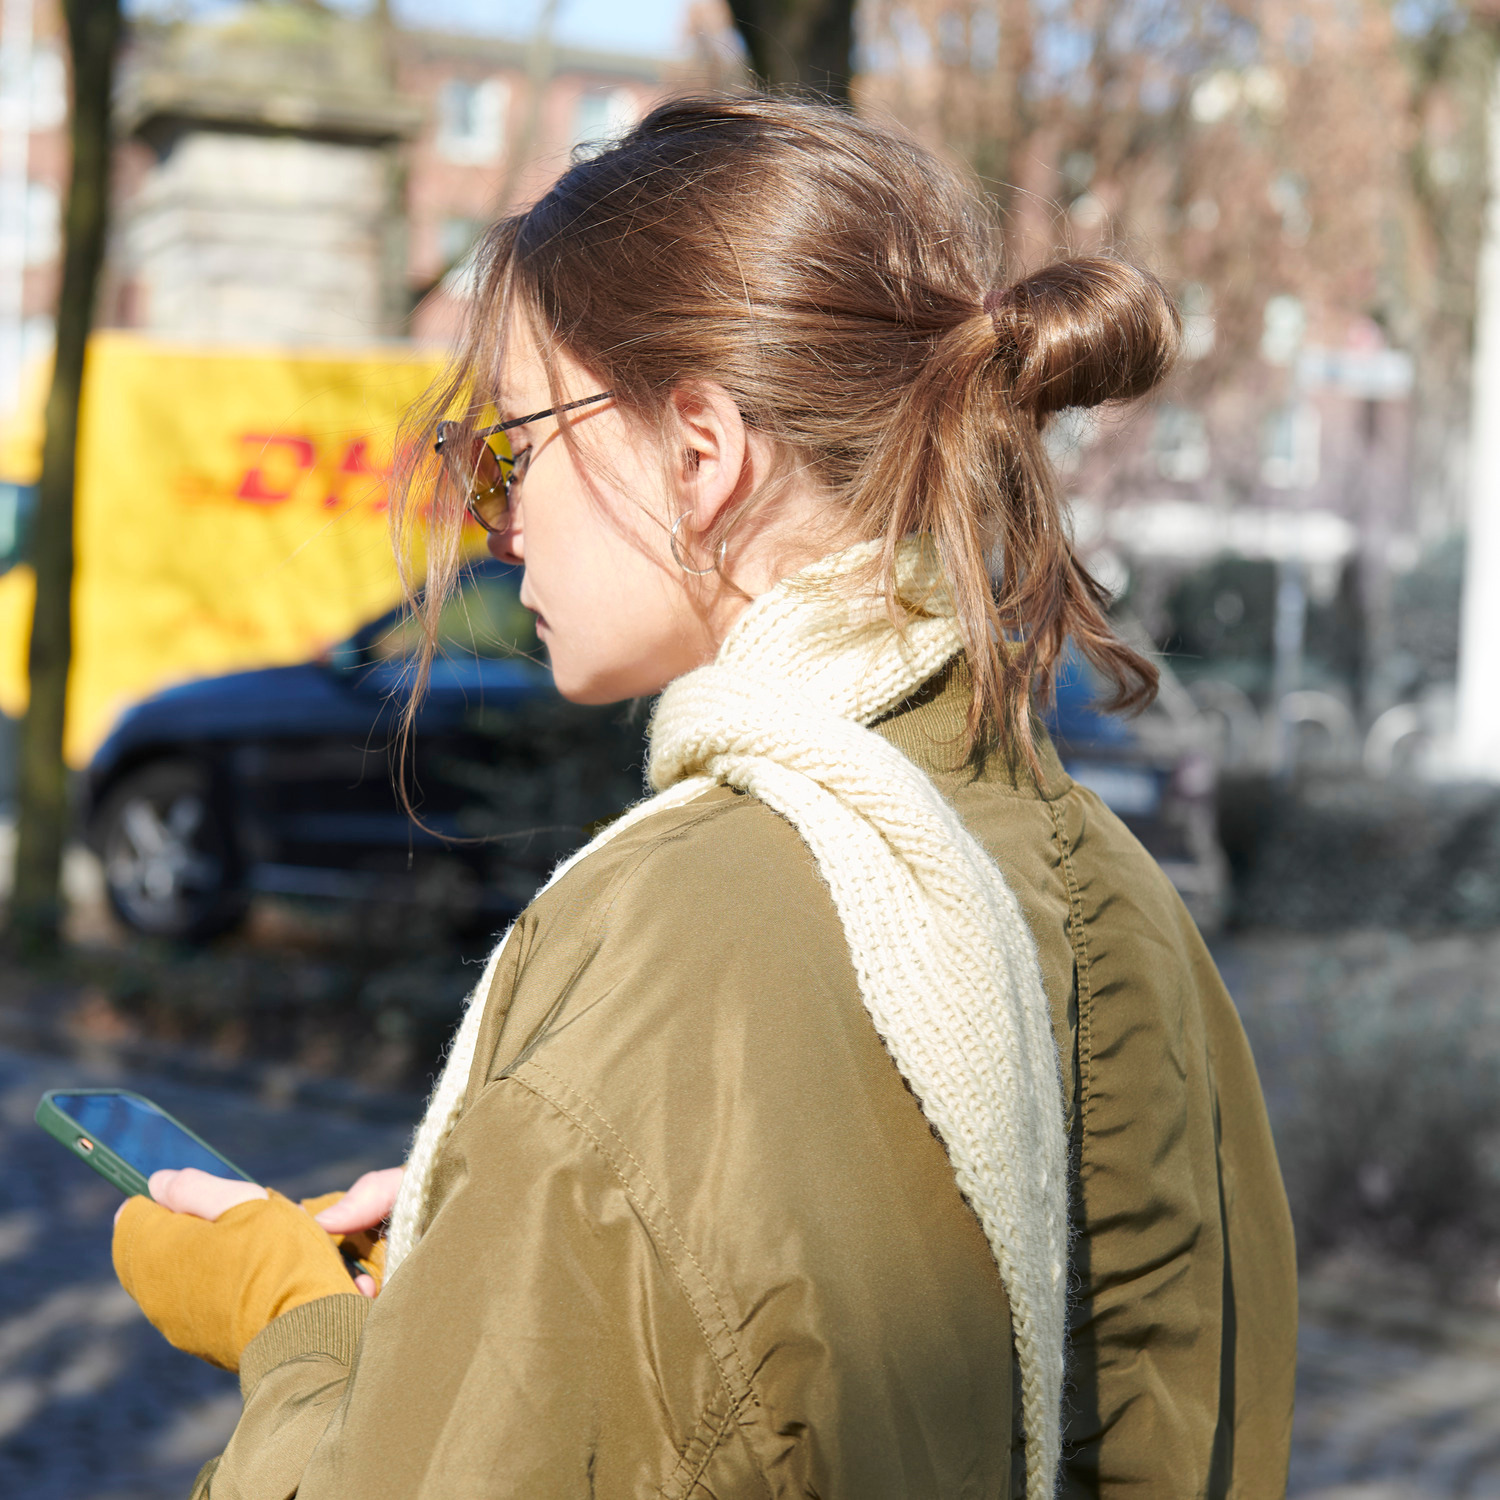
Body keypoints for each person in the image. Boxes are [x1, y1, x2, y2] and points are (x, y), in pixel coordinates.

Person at [110, 95, 1297, 1498]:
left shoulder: (681, 924)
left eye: (513, 445)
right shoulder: (1100, 877)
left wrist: (292, 1327)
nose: (493, 518)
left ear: (697, 453)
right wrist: (502, 1229)